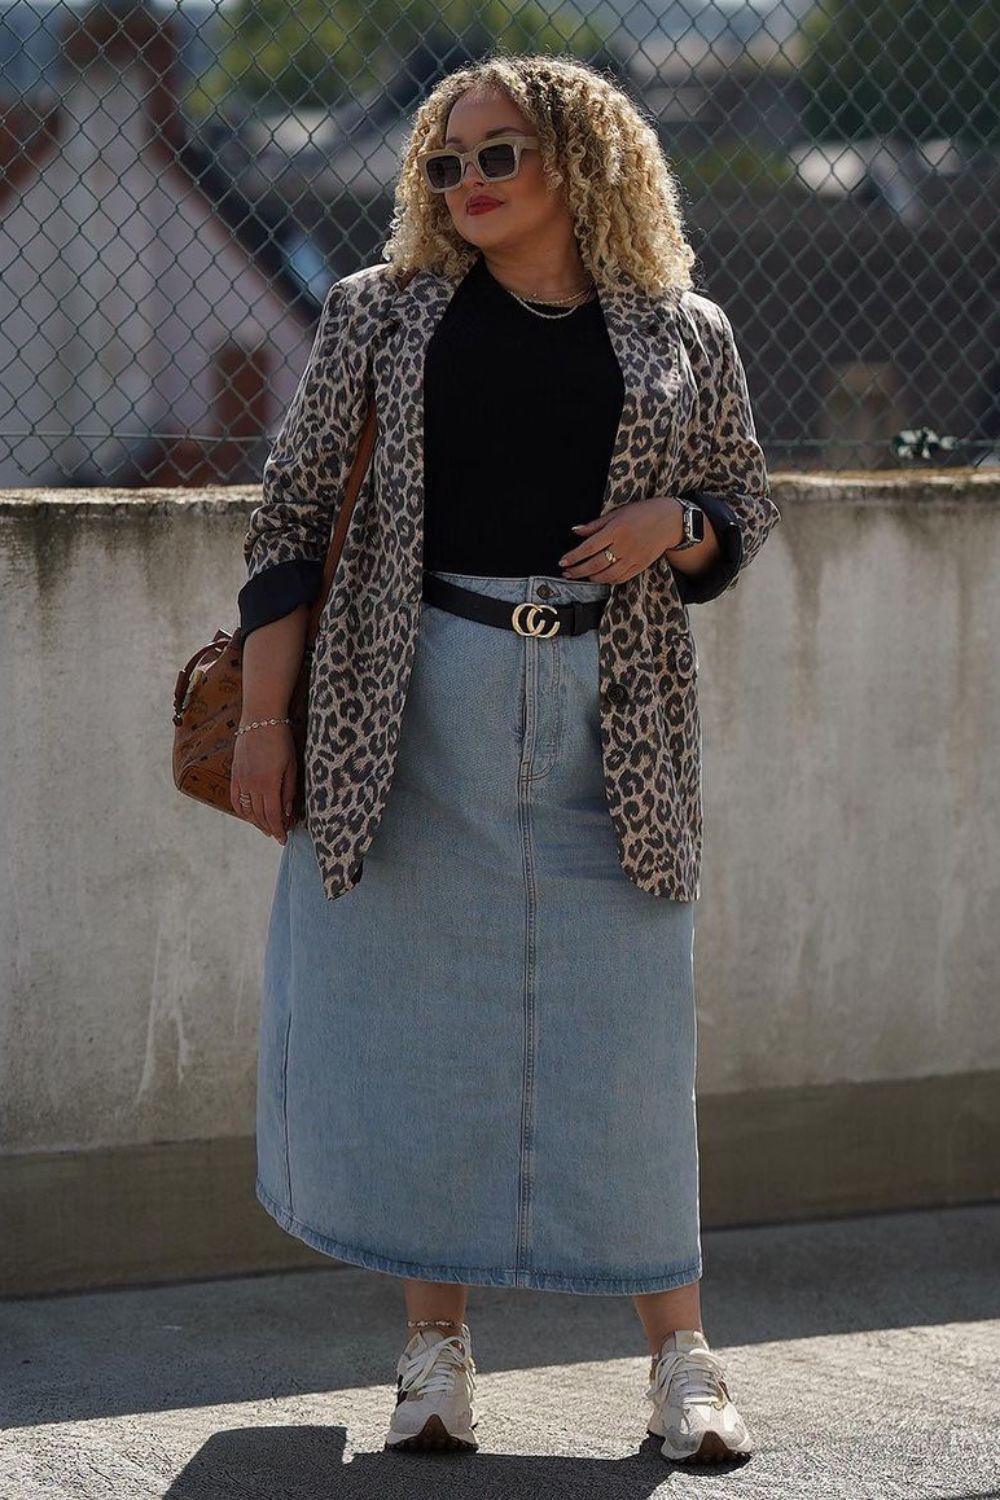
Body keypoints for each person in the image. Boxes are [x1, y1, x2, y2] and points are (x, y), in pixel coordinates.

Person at [232, 52, 780, 1465]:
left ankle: (683, 1361)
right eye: (445, 163)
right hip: (411, 698)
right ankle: (434, 1355)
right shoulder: (381, 316)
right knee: (424, 1030)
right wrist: (260, 720)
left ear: (581, 162)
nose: (467, 183)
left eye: (499, 155)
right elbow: (290, 518)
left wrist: (682, 523)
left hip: (617, 704)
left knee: (629, 1040)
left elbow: (743, 503)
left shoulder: (682, 329)